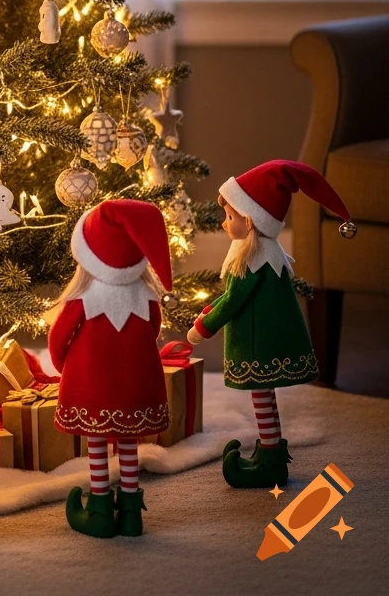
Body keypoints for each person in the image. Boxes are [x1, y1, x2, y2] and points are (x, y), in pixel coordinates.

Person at [187, 159, 354, 488]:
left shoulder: (252, 259)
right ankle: (271, 452)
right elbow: (232, 296)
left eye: (230, 217)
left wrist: (203, 327)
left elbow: (234, 299)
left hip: (257, 345)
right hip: (264, 340)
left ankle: (270, 461)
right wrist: (209, 310)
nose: (224, 224)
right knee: (265, 397)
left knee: (262, 395)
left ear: (250, 222)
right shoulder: (267, 256)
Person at [49, 199, 173, 538]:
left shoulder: (82, 298)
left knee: (97, 443)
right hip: (136, 385)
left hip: (92, 386)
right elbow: (153, 332)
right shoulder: (147, 295)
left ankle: (101, 507)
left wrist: (67, 371)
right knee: (129, 442)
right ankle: (131, 510)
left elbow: (58, 341)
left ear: (87, 252)